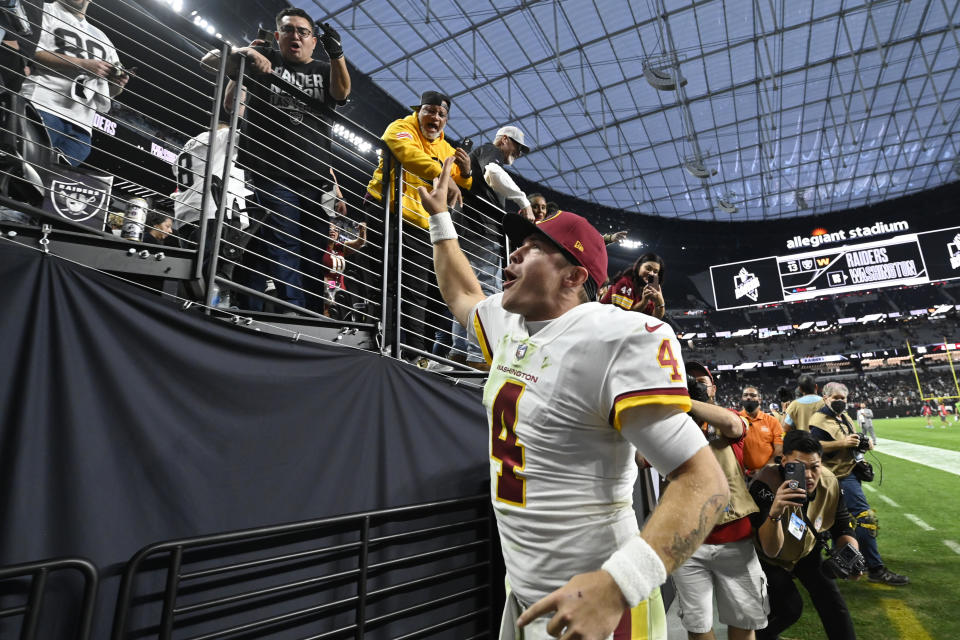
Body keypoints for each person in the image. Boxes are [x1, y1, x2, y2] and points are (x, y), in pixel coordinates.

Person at [423, 157, 728, 640]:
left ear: (573, 277)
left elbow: (706, 483)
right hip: (525, 591)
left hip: (599, 605)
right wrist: (440, 218)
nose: (515, 254)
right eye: (518, 244)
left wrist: (618, 586)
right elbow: (461, 294)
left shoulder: (615, 337)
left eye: (533, 247)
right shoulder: (510, 322)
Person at [201, 8, 350, 311]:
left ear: (312, 40)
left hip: (314, 177)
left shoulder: (323, 69)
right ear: (278, 35)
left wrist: (337, 54)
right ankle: (295, 310)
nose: (295, 35)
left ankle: (309, 310)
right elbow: (211, 63)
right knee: (286, 241)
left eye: (303, 31)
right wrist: (247, 53)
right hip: (272, 171)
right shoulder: (264, 57)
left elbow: (342, 92)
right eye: (289, 30)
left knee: (313, 246)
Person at [364, 90, 472, 364]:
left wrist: (467, 173)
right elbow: (405, 152)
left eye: (441, 114)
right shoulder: (401, 127)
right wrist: (442, 174)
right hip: (385, 211)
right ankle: (379, 342)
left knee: (416, 290)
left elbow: (462, 181)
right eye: (430, 110)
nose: (434, 117)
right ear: (419, 111)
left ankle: (413, 355)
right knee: (384, 279)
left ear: (446, 120)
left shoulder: (447, 149)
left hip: (420, 225)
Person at [673, 364, 768, 640]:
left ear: (713, 388)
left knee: (744, 620)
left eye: (701, 381)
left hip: (734, 540)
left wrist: (686, 400)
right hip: (687, 541)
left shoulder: (729, 417)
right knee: (698, 625)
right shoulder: (672, 424)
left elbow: (732, 426)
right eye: (688, 380)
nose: (695, 384)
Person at [750, 430, 861, 640]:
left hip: (805, 549)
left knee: (832, 602)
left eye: (814, 466)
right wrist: (775, 513)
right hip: (766, 558)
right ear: (784, 461)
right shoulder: (765, 484)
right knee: (789, 608)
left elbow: (842, 527)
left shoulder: (830, 483)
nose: (808, 475)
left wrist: (851, 555)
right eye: (799, 467)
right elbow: (770, 549)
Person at [809, 382, 909, 586]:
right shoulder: (818, 419)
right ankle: (874, 568)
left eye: (843, 398)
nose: (839, 401)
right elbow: (813, 446)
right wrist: (842, 443)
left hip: (849, 472)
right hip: (835, 478)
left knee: (841, 524)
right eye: (835, 398)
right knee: (865, 518)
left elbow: (851, 440)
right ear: (825, 398)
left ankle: (846, 563)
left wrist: (862, 446)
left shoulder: (844, 417)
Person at [450, 125, 533, 368]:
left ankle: (459, 352)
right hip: (480, 231)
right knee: (485, 292)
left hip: (470, 230)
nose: (518, 153)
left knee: (468, 291)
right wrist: (523, 200)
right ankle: (478, 357)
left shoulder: (485, 155)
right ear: (505, 140)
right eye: (517, 147)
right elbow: (493, 173)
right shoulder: (490, 150)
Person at [20, 0, 129, 166]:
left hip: (82, 127)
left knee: (47, 185)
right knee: (20, 171)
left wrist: (117, 83)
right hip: (41, 105)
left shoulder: (103, 38)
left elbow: (110, 91)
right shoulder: (44, 10)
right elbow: (31, 50)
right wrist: (83, 64)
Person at [599, 253, 666, 319]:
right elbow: (623, 317)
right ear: (639, 267)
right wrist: (644, 302)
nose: (651, 273)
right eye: (648, 268)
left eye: (655, 272)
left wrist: (660, 302)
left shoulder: (648, 290)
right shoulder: (625, 283)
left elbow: (655, 318)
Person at [320, 221, 365, 318]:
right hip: (326, 288)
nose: (333, 232)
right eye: (329, 229)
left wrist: (362, 231)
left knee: (342, 315)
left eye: (336, 230)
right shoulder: (321, 247)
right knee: (329, 314)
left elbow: (359, 243)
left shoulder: (340, 247)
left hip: (340, 288)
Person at [739, 386, 784, 476]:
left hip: (767, 474)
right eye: (745, 395)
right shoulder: (735, 419)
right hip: (741, 475)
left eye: (752, 395)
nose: (748, 397)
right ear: (742, 399)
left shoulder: (772, 421)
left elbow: (779, 449)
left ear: (759, 400)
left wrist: (762, 471)